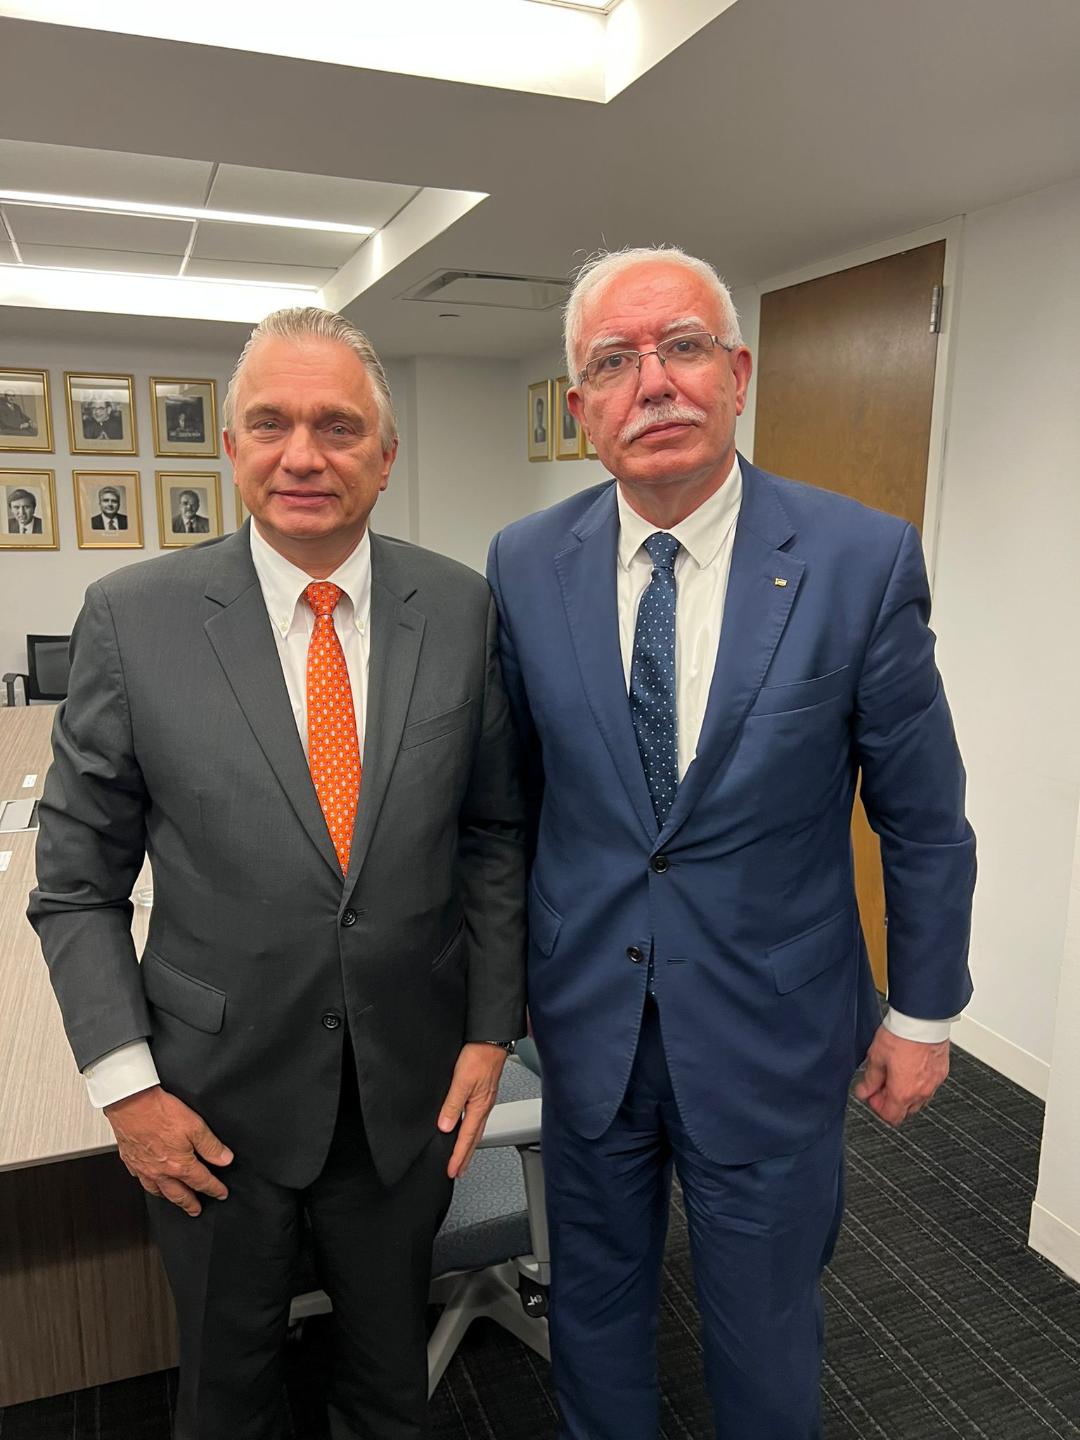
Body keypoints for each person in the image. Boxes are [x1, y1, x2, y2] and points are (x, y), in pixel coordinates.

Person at [487, 245, 976, 1440]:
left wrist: (921, 1015)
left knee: (764, 1329)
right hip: (589, 1021)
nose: (653, 383)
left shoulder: (860, 559)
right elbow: (515, 805)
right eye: (615, 362)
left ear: (737, 374)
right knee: (595, 1308)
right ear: (582, 407)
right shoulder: (524, 563)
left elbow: (920, 814)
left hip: (774, 1027)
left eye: (683, 347)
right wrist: (496, 1004)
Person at [30, 306, 526, 1440]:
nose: (304, 455)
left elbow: (494, 833)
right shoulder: (133, 620)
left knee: (391, 1382)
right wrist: (128, 1092)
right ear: (231, 446)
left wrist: (491, 1030)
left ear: (385, 457)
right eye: (271, 424)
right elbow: (76, 886)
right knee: (227, 1389)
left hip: (407, 1088)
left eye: (338, 427)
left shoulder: (459, 606)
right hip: (209, 1097)